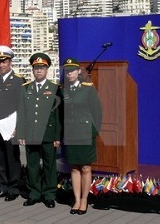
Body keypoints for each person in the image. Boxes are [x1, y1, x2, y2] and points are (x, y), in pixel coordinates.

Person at [17, 53, 61, 208]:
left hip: (48, 134)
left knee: (49, 165)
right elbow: (21, 112)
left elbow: (58, 115)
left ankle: (49, 194)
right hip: (31, 134)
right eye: (36, 68)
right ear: (33, 70)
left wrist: (57, 136)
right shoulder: (26, 88)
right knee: (32, 164)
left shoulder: (55, 88)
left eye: (42, 68)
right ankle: (34, 193)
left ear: (47, 69)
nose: (39, 71)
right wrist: (21, 133)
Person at [62, 58, 102, 215]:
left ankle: (85, 200)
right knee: (74, 168)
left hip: (85, 133)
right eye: (67, 70)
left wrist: (93, 132)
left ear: (79, 71)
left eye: (72, 70)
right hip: (71, 134)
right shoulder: (63, 89)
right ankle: (76, 200)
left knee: (85, 167)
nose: (69, 73)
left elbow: (97, 112)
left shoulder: (87, 88)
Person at [0, 46, 23, 201]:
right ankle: (3, 186)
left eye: (5, 61)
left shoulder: (18, 81)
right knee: (0, 158)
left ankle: (14, 188)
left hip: (11, 127)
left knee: (12, 158)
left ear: (10, 62)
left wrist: (19, 128)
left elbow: (22, 106)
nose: (2, 65)